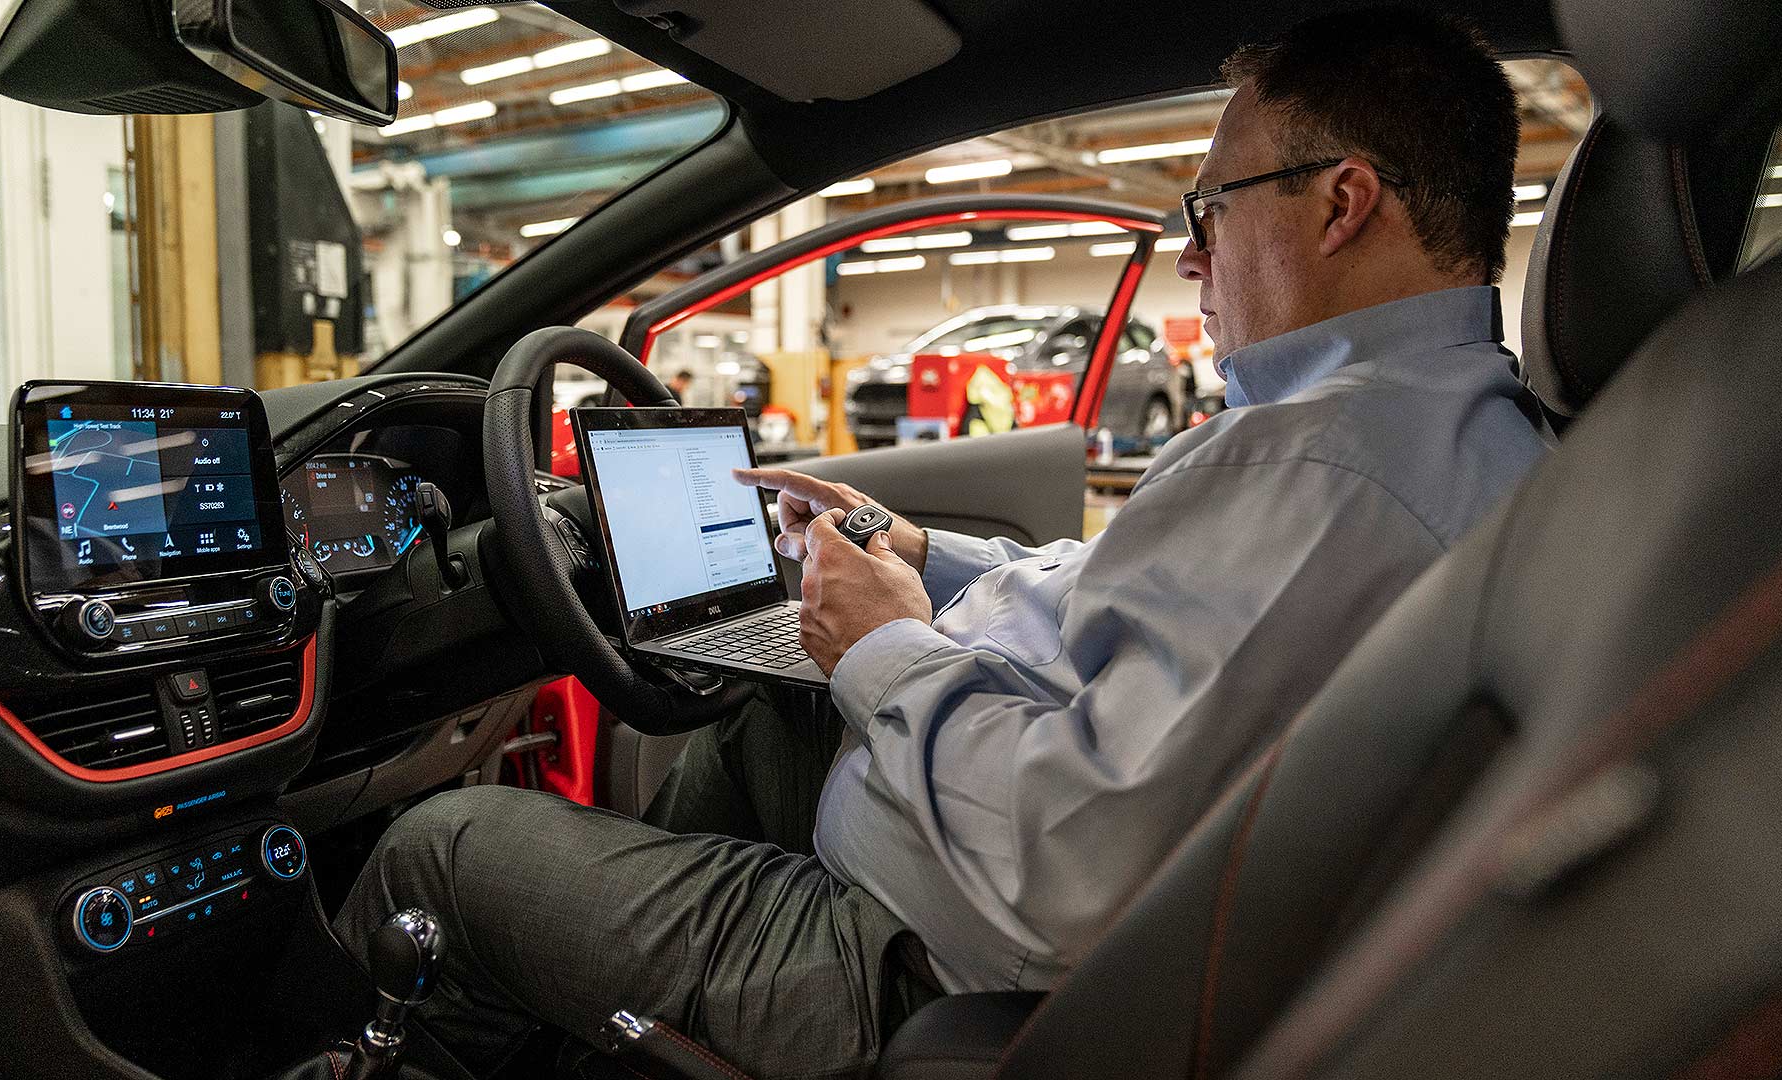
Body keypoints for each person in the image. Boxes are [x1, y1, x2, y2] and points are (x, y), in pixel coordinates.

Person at [335, 10, 1553, 1078]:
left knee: (441, 847)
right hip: (963, 870)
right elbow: (1104, 599)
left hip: (933, 978)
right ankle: (617, 1006)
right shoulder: (1411, 429)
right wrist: (911, 551)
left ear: (1343, 202)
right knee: (774, 705)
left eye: (1210, 209)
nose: (1192, 252)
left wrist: (886, 645)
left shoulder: (1329, 471)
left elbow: (1070, 875)